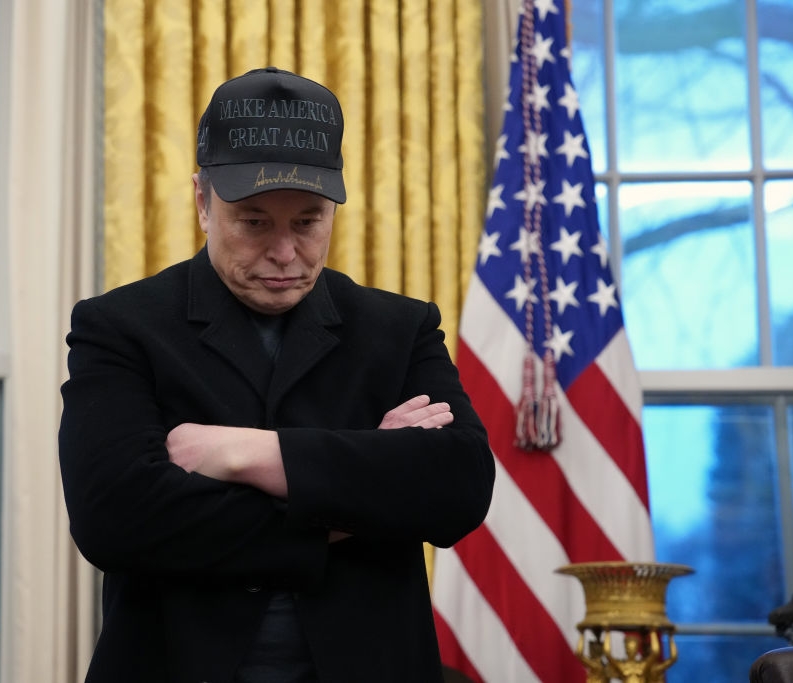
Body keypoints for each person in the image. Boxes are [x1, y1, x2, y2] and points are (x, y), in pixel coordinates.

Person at [58, 66, 495, 683]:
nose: (285, 253)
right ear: (203, 202)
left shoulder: (400, 327)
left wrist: (244, 454)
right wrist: (362, 489)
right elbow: (115, 520)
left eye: (308, 222)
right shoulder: (120, 325)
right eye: (255, 221)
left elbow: (459, 486)